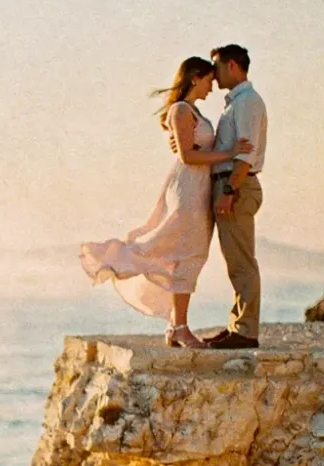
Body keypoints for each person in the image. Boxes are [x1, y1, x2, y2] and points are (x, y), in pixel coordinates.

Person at [80, 57, 252, 348]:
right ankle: (181, 328)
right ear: (195, 78)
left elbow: (190, 148)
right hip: (188, 190)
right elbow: (187, 156)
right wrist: (230, 153)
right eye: (209, 79)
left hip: (198, 189)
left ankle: (175, 328)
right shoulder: (181, 110)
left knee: (188, 255)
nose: (212, 86)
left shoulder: (191, 111)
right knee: (187, 254)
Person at [200, 44, 267, 349]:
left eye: (216, 67)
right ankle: (237, 325)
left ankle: (246, 331)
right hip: (230, 184)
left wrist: (229, 191)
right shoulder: (236, 103)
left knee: (242, 262)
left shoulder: (247, 102)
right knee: (235, 261)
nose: (212, 75)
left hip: (236, 185)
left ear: (232, 66)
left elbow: (246, 154)